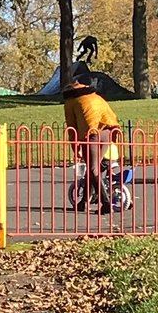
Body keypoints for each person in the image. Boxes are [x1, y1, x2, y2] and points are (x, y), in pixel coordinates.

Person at [60, 68, 121, 212]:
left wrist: (76, 149)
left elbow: (72, 128)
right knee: (94, 167)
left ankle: (106, 204)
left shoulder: (70, 101)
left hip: (91, 134)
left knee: (93, 168)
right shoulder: (95, 96)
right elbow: (110, 116)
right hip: (106, 131)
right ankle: (83, 201)